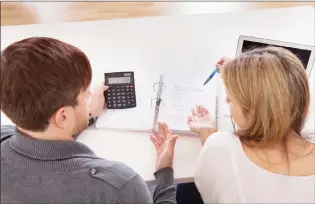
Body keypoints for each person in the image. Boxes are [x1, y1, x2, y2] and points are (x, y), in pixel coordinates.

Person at [1, 37, 178, 203]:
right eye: (84, 94)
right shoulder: (119, 186)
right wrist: (165, 173)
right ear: (63, 117)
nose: (90, 94)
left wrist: (88, 114)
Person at [185, 47, 314, 203]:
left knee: (184, 190)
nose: (227, 101)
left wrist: (207, 133)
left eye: (230, 99)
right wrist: (246, 74)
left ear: (253, 107)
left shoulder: (219, 147)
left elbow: (215, 183)